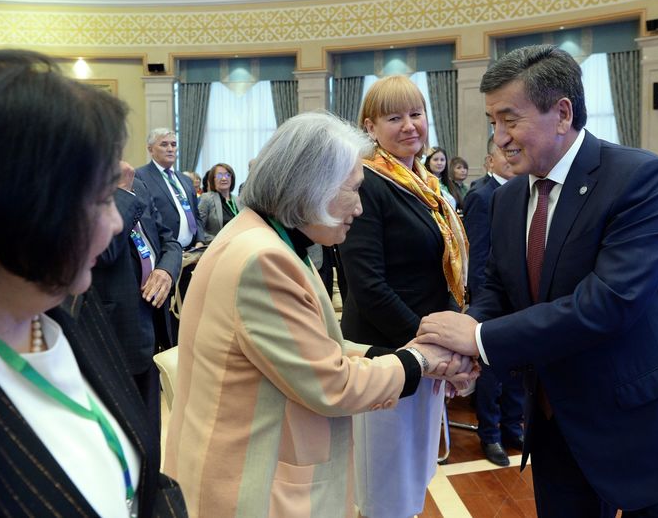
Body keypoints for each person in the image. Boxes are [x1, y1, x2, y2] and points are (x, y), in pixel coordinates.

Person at [417, 45, 658, 517]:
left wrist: (479, 339)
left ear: (562, 113)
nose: (499, 138)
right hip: (559, 427)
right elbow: (498, 290)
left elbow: (608, 303)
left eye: (510, 120)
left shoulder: (641, 178)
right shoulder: (507, 200)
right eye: (492, 122)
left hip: (651, 427)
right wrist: (462, 346)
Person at [163, 111, 475, 518]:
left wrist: (406, 356)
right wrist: (421, 360)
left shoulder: (268, 239)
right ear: (312, 187)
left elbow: (320, 345)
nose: (359, 208)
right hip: (250, 484)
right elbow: (332, 384)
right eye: (353, 190)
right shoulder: (264, 259)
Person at [0, 49, 185, 517]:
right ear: (25, 209)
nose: (116, 223)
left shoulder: (68, 309)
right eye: (102, 200)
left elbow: (145, 479)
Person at [338, 75, 469, 518]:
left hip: (427, 348)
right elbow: (368, 286)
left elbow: (445, 272)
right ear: (370, 127)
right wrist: (430, 348)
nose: (410, 125)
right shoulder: (366, 181)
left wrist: (444, 344)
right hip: (388, 352)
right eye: (394, 118)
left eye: (416, 114)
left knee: (413, 474)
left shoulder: (426, 183)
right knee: (383, 484)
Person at [92, 160, 182, 442]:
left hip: (153, 316)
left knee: (151, 429)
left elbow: (170, 242)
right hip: (118, 325)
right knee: (126, 434)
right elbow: (104, 252)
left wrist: (166, 271)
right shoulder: (81, 190)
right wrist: (121, 191)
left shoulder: (138, 187)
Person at [462, 137, 524, 467]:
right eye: (505, 151)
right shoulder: (482, 195)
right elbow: (478, 253)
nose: (512, 156)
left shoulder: (523, 190)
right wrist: (482, 302)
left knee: (517, 366)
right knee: (491, 371)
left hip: (519, 296)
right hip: (492, 298)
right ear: (490, 159)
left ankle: (513, 427)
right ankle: (490, 434)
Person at [136, 128, 205, 250]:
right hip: (164, 251)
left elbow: (196, 214)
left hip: (192, 250)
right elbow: (144, 220)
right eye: (164, 144)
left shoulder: (185, 179)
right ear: (150, 149)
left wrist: (200, 240)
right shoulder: (140, 176)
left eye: (173, 144)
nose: (170, 149)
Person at [198, 162, 242, 242]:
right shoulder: (207, 198)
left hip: (239, 242)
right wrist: (217, 241)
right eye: (219, 175)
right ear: (213, 179)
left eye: (227, 175)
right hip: (218, 244)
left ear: (232, 178)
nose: (224, 178)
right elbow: (199, 228)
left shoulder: (239, 201)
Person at [424, 146, 461, 210]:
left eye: (442, 160)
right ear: (428, 162)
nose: (439, 163)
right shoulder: (424, 182)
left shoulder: (450, 183)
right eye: (435, 159)